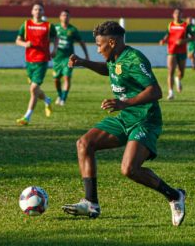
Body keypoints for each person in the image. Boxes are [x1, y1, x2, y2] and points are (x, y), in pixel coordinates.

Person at [61, 21, 186, 226]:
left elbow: (156, 91)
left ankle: (174, 195)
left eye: (100, 45)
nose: (98, 49)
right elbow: (109, 69)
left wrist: (123, 103)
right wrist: (85, 62)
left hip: (145, 120)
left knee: (129, 169)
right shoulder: (115, 57)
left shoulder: (134, 59)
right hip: (125, 117)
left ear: (112, 42)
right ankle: (91, 203)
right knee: (84, 143)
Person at [15, 3, 58, 125]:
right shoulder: (26, 24)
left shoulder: (48, 26)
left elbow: (56, 38)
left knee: (33, 88)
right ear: (32, 12)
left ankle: (27, 117)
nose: (38, 11)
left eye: (40, 9)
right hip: (29, 61)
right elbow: (17, 40)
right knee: (36, 89)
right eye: (35, 9)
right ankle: (47, 99)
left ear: (43, 12)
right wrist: (25, 44)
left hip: (42, 60)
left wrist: (54, 49)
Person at [53, 9, 89, 106]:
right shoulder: (55, 28)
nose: (65, 17)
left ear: (69, 18)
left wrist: (86, 55)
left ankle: (63, 99)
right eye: (63, 15)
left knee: (66, 77)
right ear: (60, 17)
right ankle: (60, 95)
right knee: (56, 79)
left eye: (67, 15)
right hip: (57, 58)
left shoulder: (72, 30)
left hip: (68, 58)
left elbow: (81, 42)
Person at [159, 8, 194, 100]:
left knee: (181, 72)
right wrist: (163, 40)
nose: (177, 15)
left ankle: (178, 79)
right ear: (173, 15)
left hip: (182, 51)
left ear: (182, 15)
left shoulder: (186, 25)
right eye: (176, 13)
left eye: (179, 13)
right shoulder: (170, 24)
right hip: (171, 50)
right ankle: (171, 92)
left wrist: (184, 40)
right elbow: (167, 35)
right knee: (170, 71)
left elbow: (194, 37)